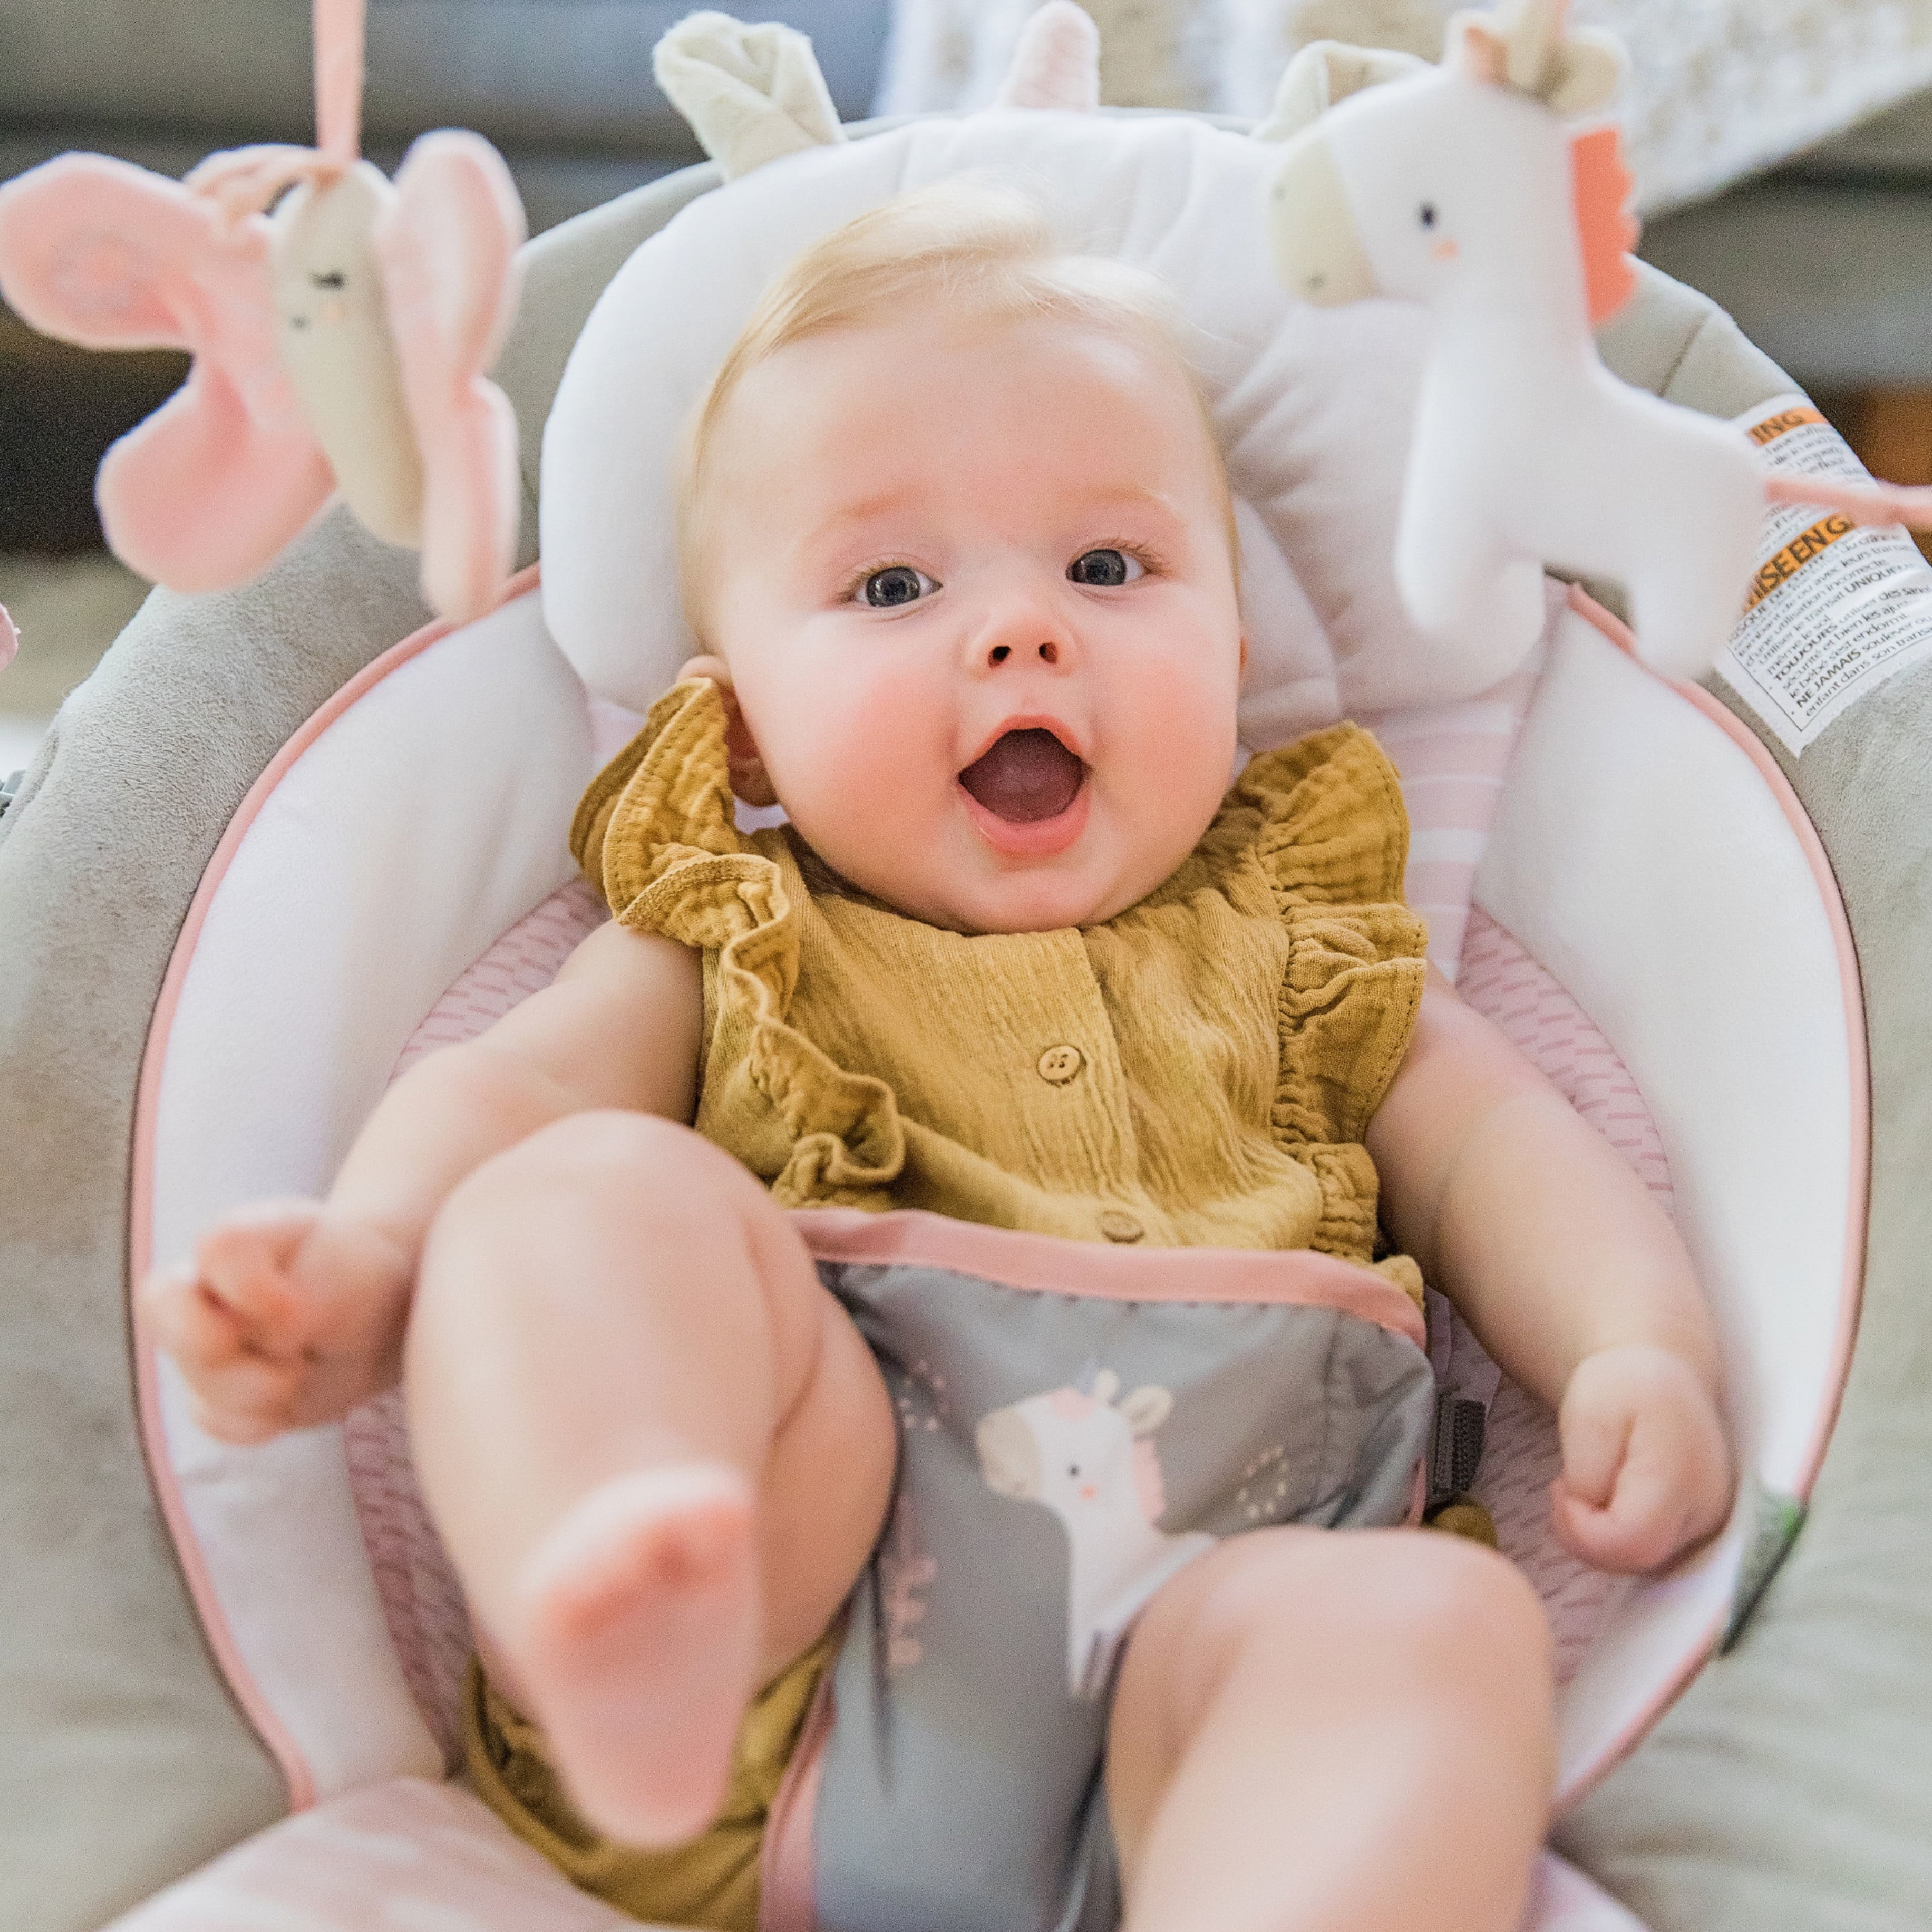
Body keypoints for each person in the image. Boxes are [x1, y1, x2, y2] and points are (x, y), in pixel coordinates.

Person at [142, 183, 1732, 1932]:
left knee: (1435, 1629)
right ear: (745, 730)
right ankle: (624, 1559)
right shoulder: (737, 934)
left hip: (1218, 1655)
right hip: (790, 1633)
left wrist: (1632, 1346)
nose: (1021, 630)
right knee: (576, 1195)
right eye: (892, 584)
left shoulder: (1305, 937)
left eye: (1108, 568)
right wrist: (374, 1258)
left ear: (1233, 656)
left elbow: (1505, 1148)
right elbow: (504, 1095)